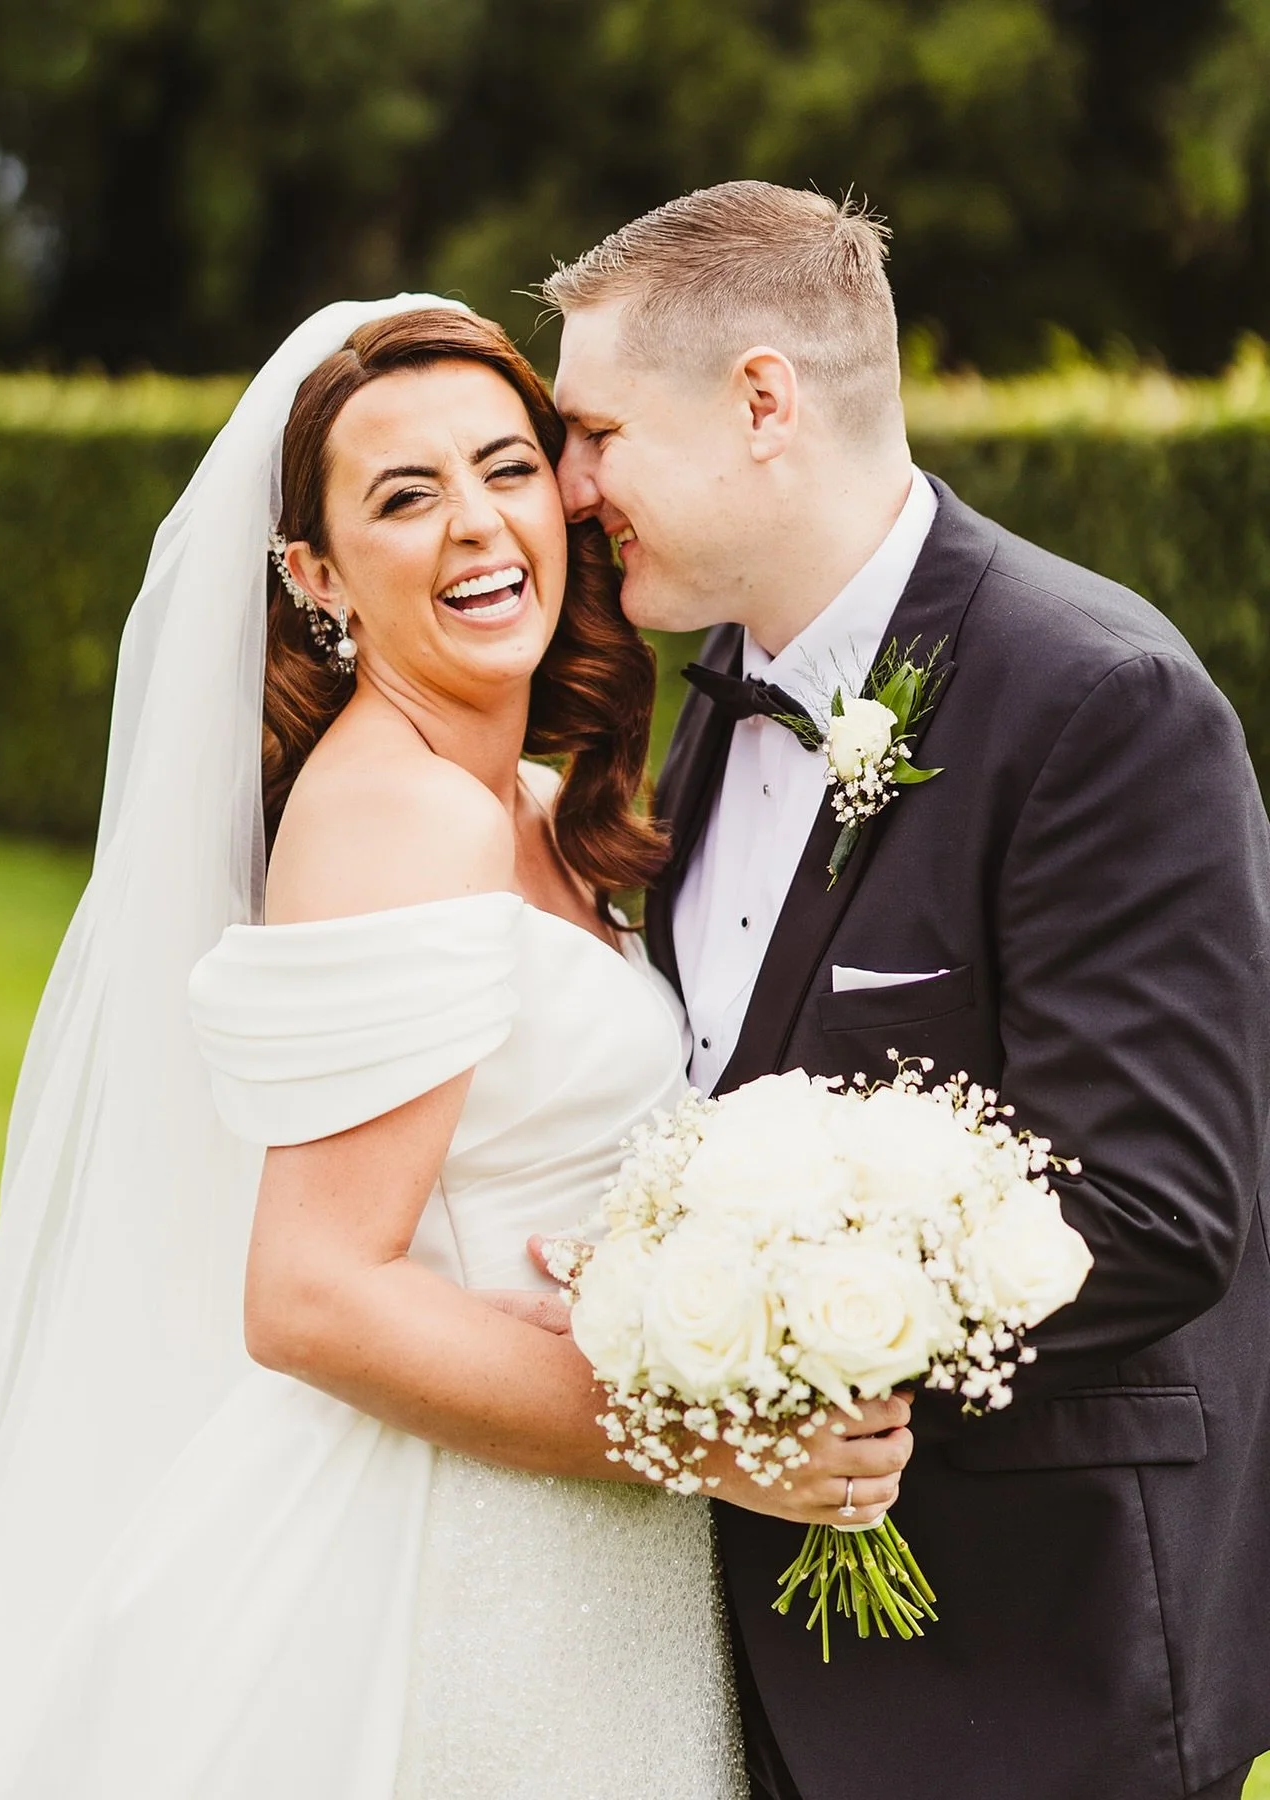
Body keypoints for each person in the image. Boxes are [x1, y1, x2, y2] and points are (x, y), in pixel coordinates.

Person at [0, 297, 910, 1799]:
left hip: (571, 1543)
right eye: (405, 498)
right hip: (442, 1561)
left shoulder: (531, 812)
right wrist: (705, 1441)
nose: (477, 526)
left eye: (506, 467)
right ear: (314, 574)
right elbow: (314, 1294)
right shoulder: (393, 814)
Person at [539, 180, 1270, 1800]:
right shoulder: (718, 697)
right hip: (746, 1650)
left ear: (759, 402)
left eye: (595, 431)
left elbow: (1155, 1205)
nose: (571, 487)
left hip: (1033, 1659)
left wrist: (763, 1366)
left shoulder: (1103, 698)